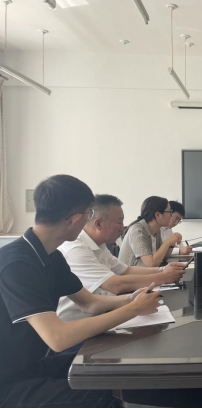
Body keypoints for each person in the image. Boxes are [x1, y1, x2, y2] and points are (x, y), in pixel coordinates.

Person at [0, 175, 162, 408]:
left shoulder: (52, 256)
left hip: (30, 366)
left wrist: (131, 299)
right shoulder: (16, 263)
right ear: (75, 219)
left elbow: (89, 303)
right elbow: (58, 338)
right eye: (89, 213)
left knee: (112, 368)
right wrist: (133, 310)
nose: (90, 220)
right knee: (110, 394)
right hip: (8, 383)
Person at [57, 194, 187, 323]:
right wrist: (163, 277)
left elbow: (126, 270)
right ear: (99, 223)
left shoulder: (100, 245)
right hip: (78, 324)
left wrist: (162, 270)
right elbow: (116, 285)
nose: (122, 228)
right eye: (119, 222)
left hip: (102, 313)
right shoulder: (76, 249)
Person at [119, 196, 182, 267]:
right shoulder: (137, 230)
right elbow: (151, 263)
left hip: (147, 272)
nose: (171, 215)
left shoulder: (156, 230)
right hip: (132, 274)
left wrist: (171, 243)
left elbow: (163, 257)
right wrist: (168, 241)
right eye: (170, 212)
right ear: (158, 215)